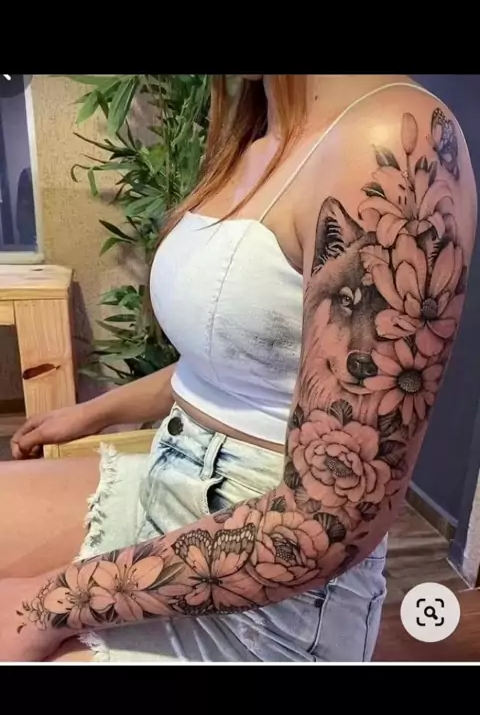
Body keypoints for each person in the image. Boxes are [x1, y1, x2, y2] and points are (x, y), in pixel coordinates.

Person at [0, 74, 476, 663]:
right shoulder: (258, 131)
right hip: (173, 475)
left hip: (271, 582)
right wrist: (95, 412)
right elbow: (233, 355)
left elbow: (327, 521)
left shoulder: (392, 143)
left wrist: (47, 604)